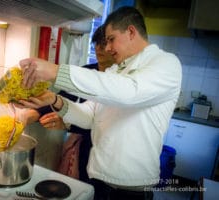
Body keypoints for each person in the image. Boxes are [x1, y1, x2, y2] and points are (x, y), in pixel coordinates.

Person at [18, 6, 182, 200]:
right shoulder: (116, 71)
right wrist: (55, 100)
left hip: (130, 192)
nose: (107, 48)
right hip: (98, 182)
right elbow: (89, 117)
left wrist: (55, 72)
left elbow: (128, 92)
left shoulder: (165, 63)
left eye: (111, 39)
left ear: (131, 32)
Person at [30, 26, 115, 183]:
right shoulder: (86, 72)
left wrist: (67, 124)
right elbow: (61, 99)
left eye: (106, 43)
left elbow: (98, 121)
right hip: (85, 153)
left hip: (106, 155)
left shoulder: (119, 81)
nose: (100, 48)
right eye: (97, 43)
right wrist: (30, 115)